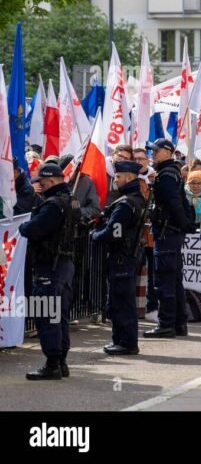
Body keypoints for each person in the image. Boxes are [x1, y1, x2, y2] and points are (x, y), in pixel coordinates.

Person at [20, 164, 79, 380]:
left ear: (52, 181)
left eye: (43, 183)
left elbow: (33, 229)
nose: (40, 187)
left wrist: (23, 226)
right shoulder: (72, 201)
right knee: (59, 315)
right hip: (64, 264)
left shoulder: (54, 205)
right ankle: (60, 362)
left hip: (49, 266)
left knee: (46, 315)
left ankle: (52, 364)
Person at [91, 161, 146, 355]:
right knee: (121, 300)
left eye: (119, 176)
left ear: (130, 178)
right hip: (128, 254)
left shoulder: (126, 204)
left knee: (121, 301)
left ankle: (126, 342)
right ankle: (123, 341)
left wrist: (95, 236)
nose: (116, 180)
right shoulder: (134, 199)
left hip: (122, 256)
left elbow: (114, 232)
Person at [144, 138, 193, 338]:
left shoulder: (166, 175)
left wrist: (182, 225)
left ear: (168, 151)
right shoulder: (170, 173)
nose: (152, 154)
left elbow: (174, 204)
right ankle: (179, 322)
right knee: (173, 280)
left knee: (164, 280)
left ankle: (166, 323)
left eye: (156, 151)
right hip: (171, 231)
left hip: (167, 232)